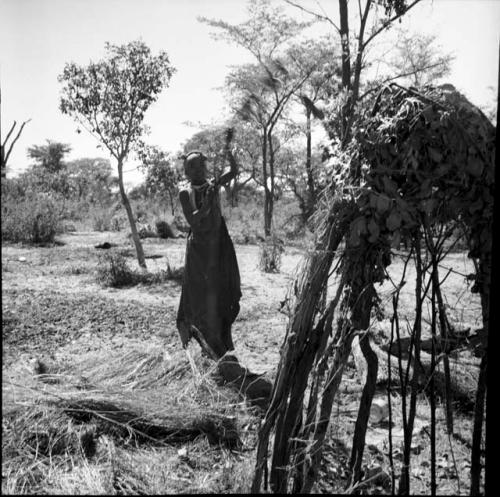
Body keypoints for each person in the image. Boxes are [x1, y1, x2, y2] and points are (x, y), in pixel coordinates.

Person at [176, 130, 241, 358]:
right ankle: (203, 341)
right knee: (199, 294)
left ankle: (219, 341)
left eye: (202, 167)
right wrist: (208, 203)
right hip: (199, 251)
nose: (200, 171)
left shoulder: (213, 184)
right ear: (187, 171)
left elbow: (233, 172)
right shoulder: (185, 193)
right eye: (194, 168)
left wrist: (229, 151)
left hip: (218, 246)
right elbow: (193, 220)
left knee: (222, 290)